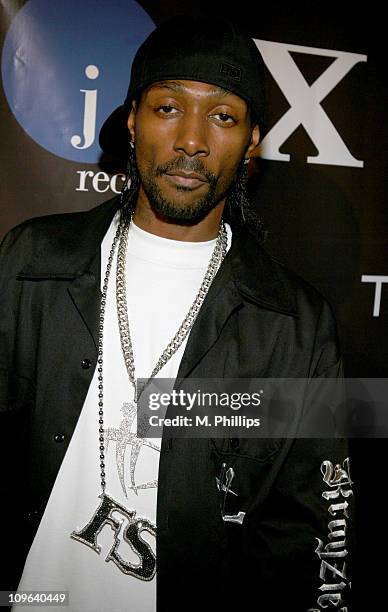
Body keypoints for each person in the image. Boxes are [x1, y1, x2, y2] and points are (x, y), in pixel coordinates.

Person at [0, 14, 353, 612]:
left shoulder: (295, 324)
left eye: (222, 116)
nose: (192, 139)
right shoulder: (30, 261)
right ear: (133, 121)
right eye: (168, 108)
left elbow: (308, 529)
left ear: (251, 144)